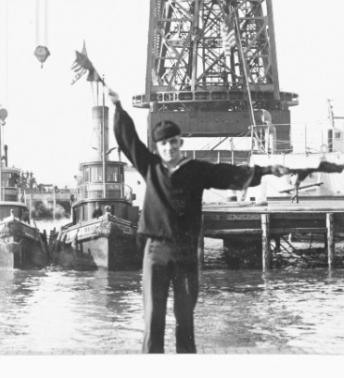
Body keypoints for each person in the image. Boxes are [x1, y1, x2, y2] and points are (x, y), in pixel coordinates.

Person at [108, 88, 290, 354]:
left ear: (180, 143)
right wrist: (119, 108)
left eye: (173, 142)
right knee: (153, 319)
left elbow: (228, 174)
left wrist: (264, 170)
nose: (169, 147)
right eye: (163, 144)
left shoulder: (197, 170)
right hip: (155, 252)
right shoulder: (150, 167)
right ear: (158, 148)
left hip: (185, 253)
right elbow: (129, 141)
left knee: (185, 319)